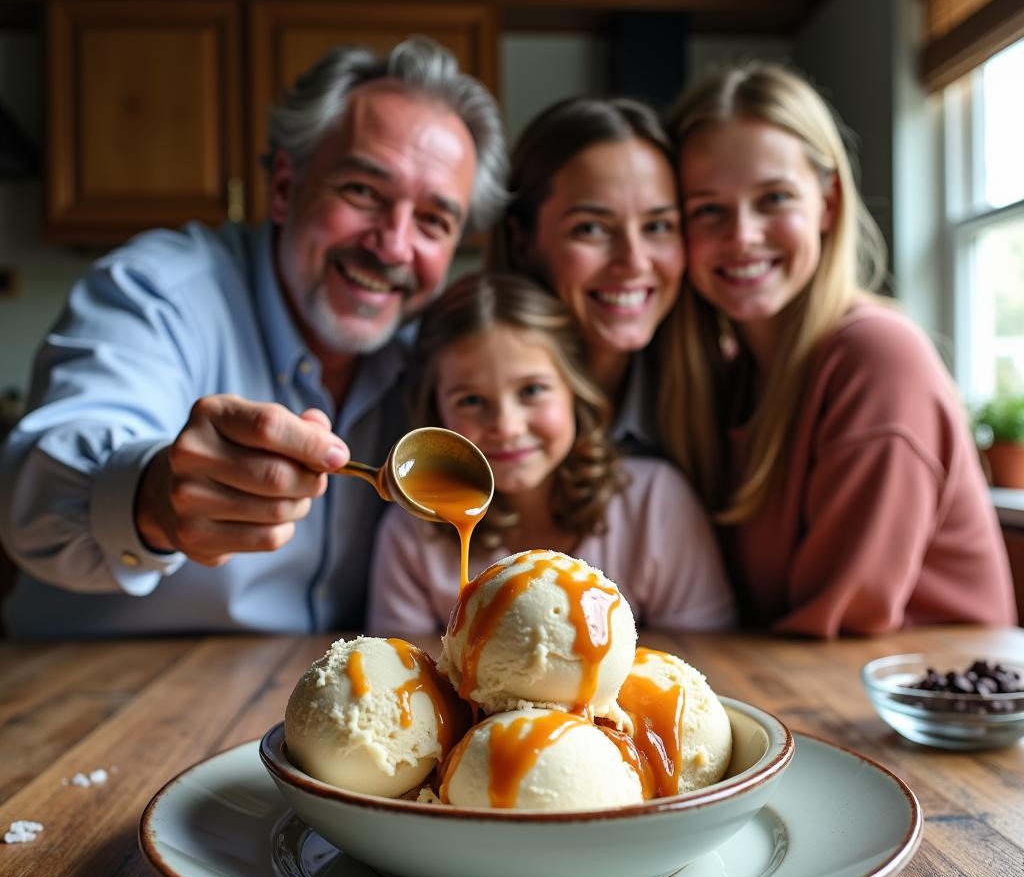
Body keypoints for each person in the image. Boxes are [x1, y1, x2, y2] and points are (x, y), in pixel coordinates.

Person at [0, 37, 507, 638]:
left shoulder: (435, 351)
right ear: (285, 188)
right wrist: (155, 499)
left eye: (433, 220)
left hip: (312, 708)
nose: (394, 245)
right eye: (363, 192)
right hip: (99, 697)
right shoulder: (155, 291)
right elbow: (35, 499)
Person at [663, 61, 1015, 637]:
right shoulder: (734, 376)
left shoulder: (877, 358)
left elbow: (837, 625)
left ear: (827, 204)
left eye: (773, 198)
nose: (743, 235)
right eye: (707, 209)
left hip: (929, 707)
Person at [367, 271, 736, 635]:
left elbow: (701, 655)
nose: (507, 426)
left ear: (574, 387)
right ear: (436, 411)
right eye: (472, 400)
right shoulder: (413, 535)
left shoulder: (655, 504)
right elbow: (403, 671)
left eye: (531, 391)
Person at [488, 97, 685, 454]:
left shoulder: (721, 399)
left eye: (657, 225)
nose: (636, 262)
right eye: (591, 229)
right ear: (522, 242)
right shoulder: (460, 398)